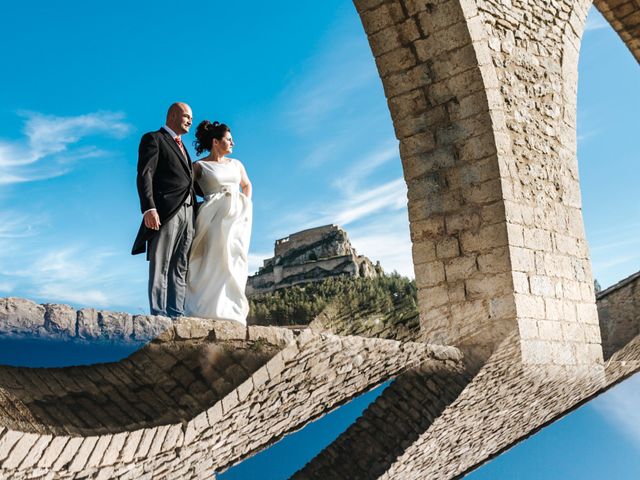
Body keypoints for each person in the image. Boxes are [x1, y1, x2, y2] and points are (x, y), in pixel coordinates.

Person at [184, 121, 252, 324]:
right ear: (215, 141)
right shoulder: (199, 166)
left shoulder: (237, 164)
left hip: (237, 218)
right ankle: (205, 309)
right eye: (228, 139)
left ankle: (231, 311)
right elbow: (184, 188)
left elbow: (246, 185)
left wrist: (245, 205)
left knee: (234, 259)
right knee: (212, 258)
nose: (233, 143)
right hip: (211, 216)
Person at [132, 102, 196, 317]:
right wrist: (149, 208)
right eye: (187, 116)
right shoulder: (154, 138)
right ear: (172, 116)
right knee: (162, 263)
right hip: (166, 211)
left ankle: (175, 313)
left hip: (189, 212)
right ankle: (159, 315)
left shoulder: (184, 148)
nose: (190, 121)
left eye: (191, 118)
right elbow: (145, 174)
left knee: (180, 266)